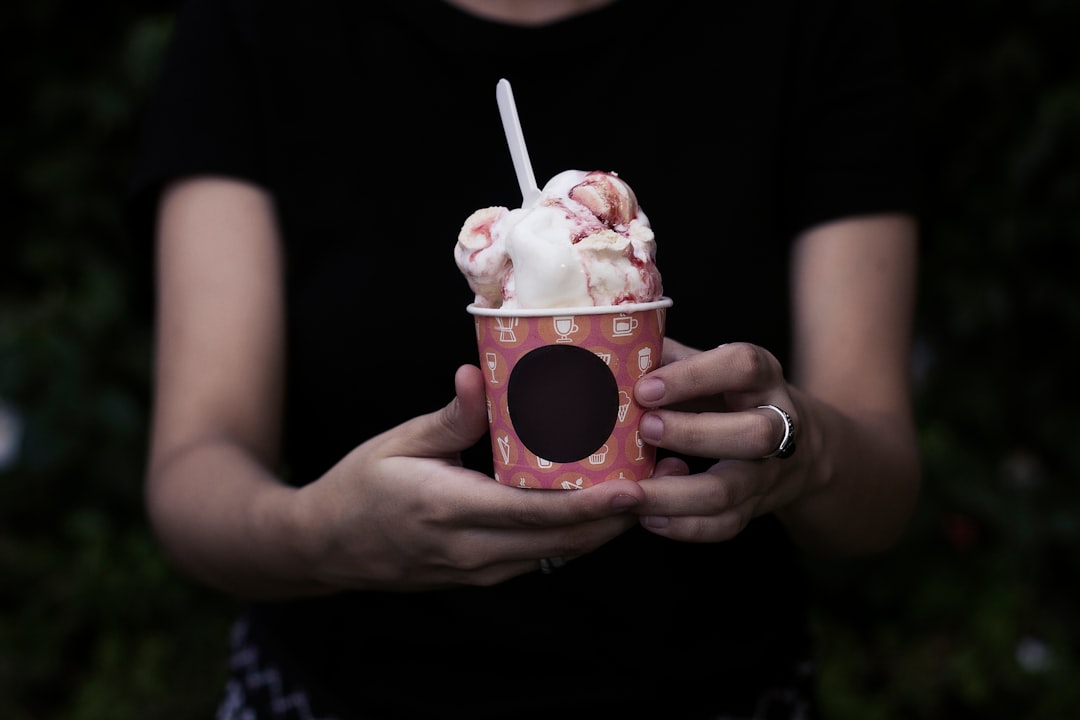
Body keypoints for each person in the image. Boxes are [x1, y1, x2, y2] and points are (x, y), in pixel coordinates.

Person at [128, 0, 922, 717]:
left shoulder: (815, 20)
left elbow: (880, 498)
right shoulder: (250, 23)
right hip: (333, 695)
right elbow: (193, 468)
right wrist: (319, 536)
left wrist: (804, 448)